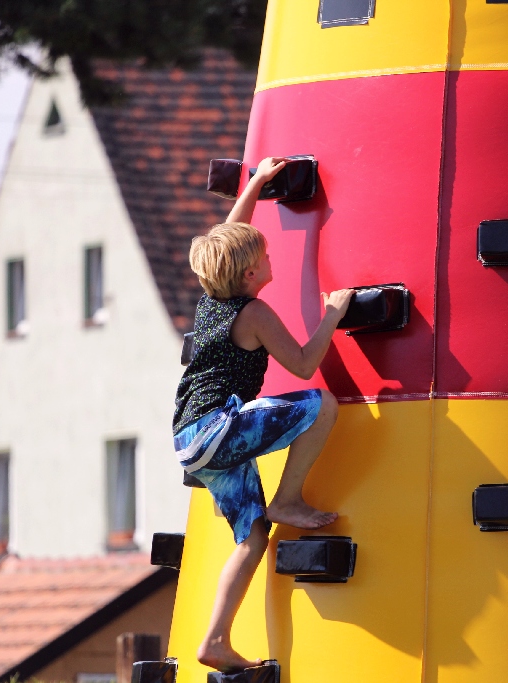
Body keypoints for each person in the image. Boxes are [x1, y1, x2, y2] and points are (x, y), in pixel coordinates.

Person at [172, 157, 354, 672]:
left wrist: (255, 182)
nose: (270, 253)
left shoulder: (213, 298)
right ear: (252, 273)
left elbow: (232, 230)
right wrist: (333, 315)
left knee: (252, 540)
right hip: (218, 429)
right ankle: (289, 499)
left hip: (190, 438)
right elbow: (301, 364)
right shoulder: (255, 313)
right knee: (322, 406)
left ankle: (214, 640)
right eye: (266, 253)